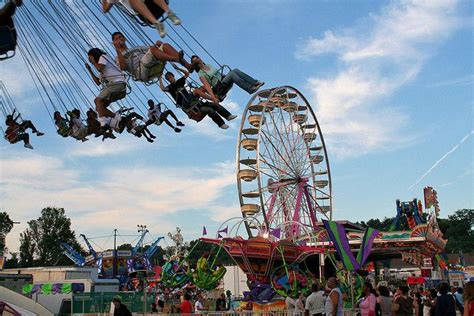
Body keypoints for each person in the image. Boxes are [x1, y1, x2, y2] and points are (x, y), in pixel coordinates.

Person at [159, 66, 237, 129]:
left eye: (170, 77)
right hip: (185, 103)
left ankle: (227, 117)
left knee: (212, 107)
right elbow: (163, 88)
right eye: (168, 79)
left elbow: (187, 74)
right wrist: (160, 78)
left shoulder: (179, 81)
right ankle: (214, 97)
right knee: (196, 91)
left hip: (193, 101)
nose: (170, 79)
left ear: (173, 76)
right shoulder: (170, 87)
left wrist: (178, 68)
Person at [112, 31, 191, 83]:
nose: (119, 39)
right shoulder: (117, 57)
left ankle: (188, 66)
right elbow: (123, 67)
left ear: (125, 39)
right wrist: (117, 50)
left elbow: (152, 49)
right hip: (140, 71)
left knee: (165, 45)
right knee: (153, 50)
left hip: (150, 63)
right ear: (114, 43)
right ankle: (177, 59)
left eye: (120, 37)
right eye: (116, 39)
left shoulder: (137, 48)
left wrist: (158, 45)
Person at [190, 55, 264, 103]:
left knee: (235, 70)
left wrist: (225, 76)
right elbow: (207, 87)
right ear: (195, 64)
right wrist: (213, 98)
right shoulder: (201, 74)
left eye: (198, 58)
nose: (198, 59)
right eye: (196, 60)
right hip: (218, 87)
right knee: (232, 74)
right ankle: (250, 88)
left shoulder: (209, 65)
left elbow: (218, 73)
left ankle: (254, 83)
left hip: (223, 80)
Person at [102, 0, 180, 38]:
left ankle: (169, 13)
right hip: (145, 15)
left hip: (156, 4)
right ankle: (157, 24)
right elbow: (105, 9)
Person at [86, 48, 127, 119]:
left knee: (97, 100)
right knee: (99, 107)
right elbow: (97, 82)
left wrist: (93, 61)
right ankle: (119, 120)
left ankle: (103, 124)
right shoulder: (104, 70)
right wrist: (90, 70)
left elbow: (99, 68)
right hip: (119, 88)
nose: (89, 59)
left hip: (118, 83)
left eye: (90, 57)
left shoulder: (103, 57)